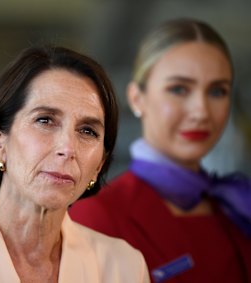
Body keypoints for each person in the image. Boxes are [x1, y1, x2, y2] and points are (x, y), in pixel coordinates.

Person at [70, 18, 251, 283]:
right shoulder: (96, 217)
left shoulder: (235, 207)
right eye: (178, 89)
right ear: (137, 98)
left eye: (217, 91)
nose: (201, 111)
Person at [0, 46, 150, 283]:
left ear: (100, 163)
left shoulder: (123, 267)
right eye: (45, 120)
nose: (68, 148)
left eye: (87, 131)